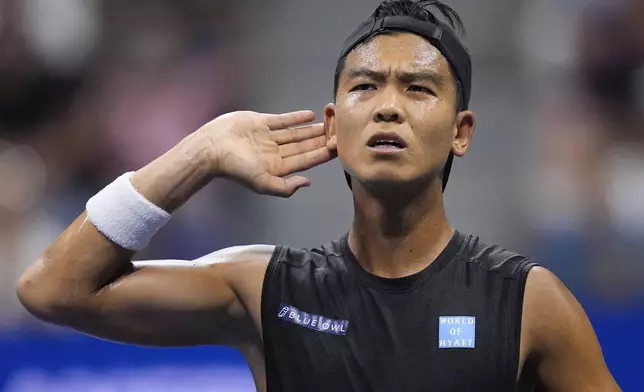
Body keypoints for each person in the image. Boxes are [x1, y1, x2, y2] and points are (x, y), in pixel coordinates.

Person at [17, 1, 621, 391]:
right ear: (333, 125)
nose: (388, 104)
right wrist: (199, 152)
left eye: (418, 88)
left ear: (461, 132)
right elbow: (53, 288)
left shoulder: (527, 302)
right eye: (365, 86)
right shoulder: (262, 290)